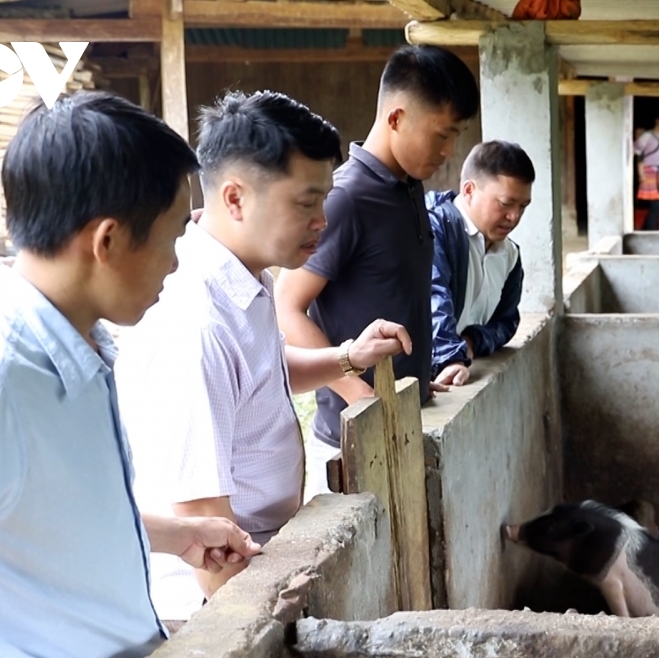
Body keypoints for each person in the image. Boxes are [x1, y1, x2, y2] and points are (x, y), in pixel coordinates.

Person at [0, 90, 258, 658]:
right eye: (172, 239)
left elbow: (38, 520)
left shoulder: (78, 349)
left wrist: (175, 534)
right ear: (107, 241)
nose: (176, 264)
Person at [114, 90, 413, 627]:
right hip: (210, 604)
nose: (322, 221)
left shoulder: (246, 280)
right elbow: (203, 524)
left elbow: (262, 374)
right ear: (235, 198)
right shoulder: (197, 322)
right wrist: (257, 634)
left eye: (323, 201)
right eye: (305, 203)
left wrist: (348, 357)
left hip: (256, 561)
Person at [275, 45, 480, 496]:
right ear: (396, 118)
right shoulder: (345, 198)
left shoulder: (410, 189)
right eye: (442, 135)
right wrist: (358, 394)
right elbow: (286, 309)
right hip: (353, 440)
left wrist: (417, 377)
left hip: (402, 423)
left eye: (457, 135)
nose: (449, 151)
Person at [425, 140, 534, 387]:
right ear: (469, 190)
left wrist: (472, 341)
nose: (514, 216)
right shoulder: (435, 230)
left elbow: (507, 321)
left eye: (523, 206)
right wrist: (450, 357)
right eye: (505, 203)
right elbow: (432, 295)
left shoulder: (510, 254)